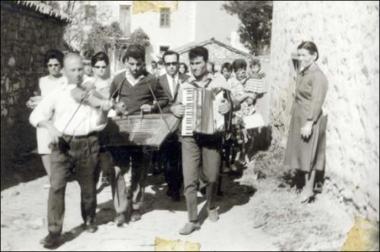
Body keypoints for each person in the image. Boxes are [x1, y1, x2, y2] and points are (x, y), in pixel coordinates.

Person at [29, 53, 111, 249]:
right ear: (64, 72)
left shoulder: (92, 92)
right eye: (73, 70)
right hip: (62, 145)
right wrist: (50, 126)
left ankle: (89, 219)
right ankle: (54, 233)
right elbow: (36, 115)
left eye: (80, 69)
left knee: (89, 187)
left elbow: (98, 124)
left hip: (88, 142)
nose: (78, 74)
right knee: (56, 187)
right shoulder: (58, 93)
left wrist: (105, 110)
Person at [171, 46, 232, 235]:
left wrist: (228, 106)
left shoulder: (219, 82)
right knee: (189, 178)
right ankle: (192, 219)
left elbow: (231, 102)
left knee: (212, 176)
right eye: (192, 63)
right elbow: (175, 106)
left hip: (212, 136)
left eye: (198, 63)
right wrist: (175, 109)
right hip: (190, 136)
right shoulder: (185, 85)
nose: (194, 67)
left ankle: (211, 205)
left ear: (206, 63)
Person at [108, 44, 169, 225]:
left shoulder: (151, 79)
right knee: (119, 169)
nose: (135, 68)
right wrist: (116, 106)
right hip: (122, 130)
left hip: (144, 128)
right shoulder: (118, 79)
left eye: (139, 64)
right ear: (126, 62)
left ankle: (135, 206)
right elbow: (109, 101)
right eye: (132, 64)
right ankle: (120, 210)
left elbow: (164, 99)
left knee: (141, 168)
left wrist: (151, 106)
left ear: (144, 63)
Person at [284, 41, 328, 203]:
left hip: (310, 118)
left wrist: (309, 122)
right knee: (302, 152)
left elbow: (317, 100)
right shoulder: (304, 72)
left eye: (304, 55)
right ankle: (304, 186)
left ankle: (309, 190)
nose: (300, 58)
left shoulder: (318, 76)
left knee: (310, 153)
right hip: (299, 116)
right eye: (299, 55)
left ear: (314, 56)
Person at [26, 49, 66, 189]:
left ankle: (60, 176)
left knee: (59, 148)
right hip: (44, 119)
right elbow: (37, 97)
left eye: (56, 64)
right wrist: (31, 103)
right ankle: (52, 179)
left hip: (60, 118)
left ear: (61, 65)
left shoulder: (66, 81)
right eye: (50, 65)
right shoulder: (42, 81)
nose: (53, 68)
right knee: (44, 149)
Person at [158, 50, 190, 201]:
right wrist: (170, 108)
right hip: (166, 125)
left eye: (174, 63)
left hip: (185, 124)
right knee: (169, 158)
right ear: (164, 65)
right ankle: (173, 188)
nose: (171, 66)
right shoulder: (158, 81)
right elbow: (156, 105)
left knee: (184, 158)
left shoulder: (187, 79)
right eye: (168, 64)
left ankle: (180, 185)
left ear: (178, 63)